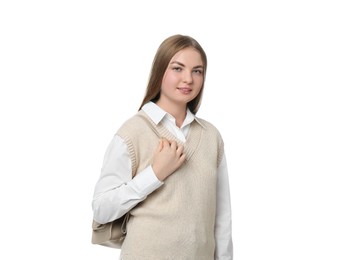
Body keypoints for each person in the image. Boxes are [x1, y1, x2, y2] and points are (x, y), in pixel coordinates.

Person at [92, 34, 233, 259]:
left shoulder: (211, 137)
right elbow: (101, 208)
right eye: (178, 68)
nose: (188, 78)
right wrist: (155, 174)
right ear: (160, 71)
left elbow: (221, 219)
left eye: (197, 71)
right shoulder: (133, 132)